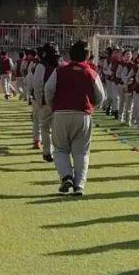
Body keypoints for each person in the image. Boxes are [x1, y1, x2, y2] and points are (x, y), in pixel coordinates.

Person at [44, 40, 105, 197]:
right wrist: (91, 106)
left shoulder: (60, 71)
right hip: (83, 114)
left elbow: (48, 90)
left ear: (69, 55)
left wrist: (54, 106)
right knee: (81, 152)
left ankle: (66, 176)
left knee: (60, 148)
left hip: (60, 113)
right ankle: (79, 185)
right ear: (88, 55)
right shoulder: (91, 73)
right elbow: (101, 96)